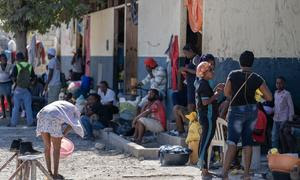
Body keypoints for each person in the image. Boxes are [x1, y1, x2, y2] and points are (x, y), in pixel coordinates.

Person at [222, 51, 272, 180]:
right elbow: (269, 97)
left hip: (236, 110)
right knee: (247, 141)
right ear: (252, 62)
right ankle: (246, 174)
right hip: (252, 111)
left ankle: (224, 174)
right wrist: (256, 96)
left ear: (240, 61)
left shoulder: (233, 75)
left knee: (232, 141)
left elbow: (227, 93)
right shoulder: (257, 78)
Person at [36, 100, 84, 179]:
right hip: (53, 116)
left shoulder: (63, 105)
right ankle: (55, 175)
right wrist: (64, 133)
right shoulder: (75, 111)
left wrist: (61, 134)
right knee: (56, 149)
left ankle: (49, 173)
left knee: (47, 147)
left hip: (42, 114)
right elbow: (73, 124)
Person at [173, 54, 216, 135]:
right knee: (177, 109)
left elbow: (206, 101)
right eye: (207, 65)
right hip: (200, 111)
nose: (210, 67)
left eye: (212, 65)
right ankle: (183, 132)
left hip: (206, 113)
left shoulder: (208, 79)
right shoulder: (200, 80)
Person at [194, 61, 224, 177]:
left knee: (204, 141)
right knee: (205, 143)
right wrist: (216, 94)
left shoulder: (203, 83)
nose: (213, 72)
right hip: (208, 117)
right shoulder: (204, 85)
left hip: (206, 117)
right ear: (204, 73)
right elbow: (206, 102)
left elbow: (207, 97)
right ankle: (204, 169)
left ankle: (204, 168)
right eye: (210, 70)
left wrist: (215, 89)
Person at [9, 52, 35, 127]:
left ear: (17, 58)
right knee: (28, 107)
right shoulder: (30, 66)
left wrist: (15, 83)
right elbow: (33, 78)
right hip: (27, 89)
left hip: (18, 89)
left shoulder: (17, 66)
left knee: (16, 107)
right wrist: (29, 84)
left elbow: (13, 77)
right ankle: (30, 122)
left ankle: (13, 123)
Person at [272, 76, 294, 150]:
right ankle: (275, 154)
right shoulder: (275, 93)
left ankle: (285, 154)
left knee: (283, 138)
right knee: (274, 137)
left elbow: (291, 107)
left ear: (284, 84)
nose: (278, 85)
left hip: (284, 120)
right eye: (277, 83)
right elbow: (276, 106)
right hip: (275, 119)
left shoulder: (287, 94)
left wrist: (290, 120)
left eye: (280, 83)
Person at [0, 53, 13, 119]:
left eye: (5, 59)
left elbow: (12, 73)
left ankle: (11, 114)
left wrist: (10, 76)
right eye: (2, 59)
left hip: (7, 83)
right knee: (1, 99)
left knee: (8, 99)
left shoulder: (9, 66)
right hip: (0, 84)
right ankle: (4, 114)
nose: (4, 60)